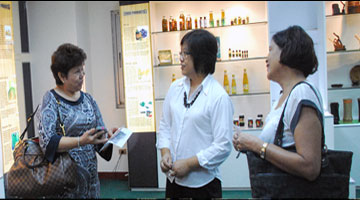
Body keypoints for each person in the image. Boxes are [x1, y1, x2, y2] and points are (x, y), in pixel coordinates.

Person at [233, 25, 323, 182]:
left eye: (271, 50)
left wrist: (257, 145)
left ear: (286, 52)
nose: (266, 58)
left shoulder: (301, 94)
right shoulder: (285, 97)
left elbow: (310, 167)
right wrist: (248, 143)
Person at [156, 29, 234, 199]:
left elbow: (223, 145)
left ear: (201, 56)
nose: (181, 59)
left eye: (186, 54)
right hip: (174, 180)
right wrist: (165, 154)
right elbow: (165, 126)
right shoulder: (175, 88)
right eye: (180, 53)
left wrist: (190, 164)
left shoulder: (218, 97)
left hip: (203, 183)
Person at [37, 43, 114, 198]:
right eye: (77, 71)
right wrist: (80, 141)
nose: (82, 75)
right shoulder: (51, 100)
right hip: (64, 181)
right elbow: (48, 143)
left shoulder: (88, 100)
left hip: (91, 181)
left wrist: (110, 137)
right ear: (61, 76)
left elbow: (99, 141)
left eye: (83, 70)